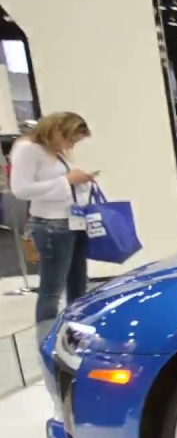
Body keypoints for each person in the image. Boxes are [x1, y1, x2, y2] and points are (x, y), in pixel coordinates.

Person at [8, 112, 96, 338]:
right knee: (52, 289)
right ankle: (45, 338)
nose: (71, 145)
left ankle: (77, 333)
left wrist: (78, 180)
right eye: (70, 140)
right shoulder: (28, 149)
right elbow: (20, 189)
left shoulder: (52, 152)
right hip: (51, 225)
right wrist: (66, 181)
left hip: (71, 221)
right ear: (57, 131)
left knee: (78, 283)